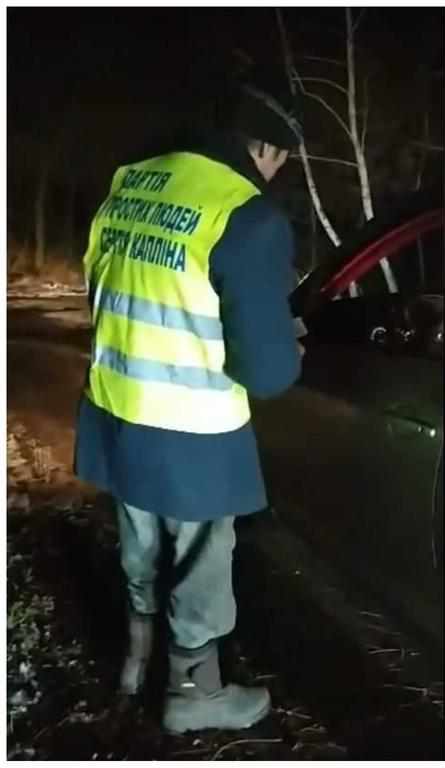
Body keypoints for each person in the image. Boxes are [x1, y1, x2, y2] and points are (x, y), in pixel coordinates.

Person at [73, 79, 304, 734]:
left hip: (119, 408)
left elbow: (101, 282)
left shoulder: (133, 181)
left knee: (140, 546)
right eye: (281, 159)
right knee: (201, 561)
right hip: (192, 428)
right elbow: (267, 372)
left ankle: (135, 661)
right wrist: (284, 341)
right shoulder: (246, 214)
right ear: (269, 148)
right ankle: (193, 692)